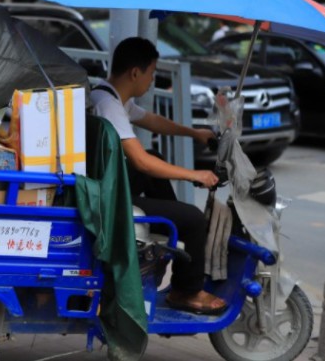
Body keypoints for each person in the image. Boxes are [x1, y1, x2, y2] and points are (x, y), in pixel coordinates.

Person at [90, 36, 226, 315]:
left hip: (105, 181)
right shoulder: (109, 107)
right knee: (195, 219)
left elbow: (150, 119)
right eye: (152, 72)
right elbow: (141, 162)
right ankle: (186, 291)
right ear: (135, 73)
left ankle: (170, 223)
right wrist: (194, 175)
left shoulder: (108, 95)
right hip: (106, 196)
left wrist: (194, 133)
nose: (152, 80)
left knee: (160, 160)